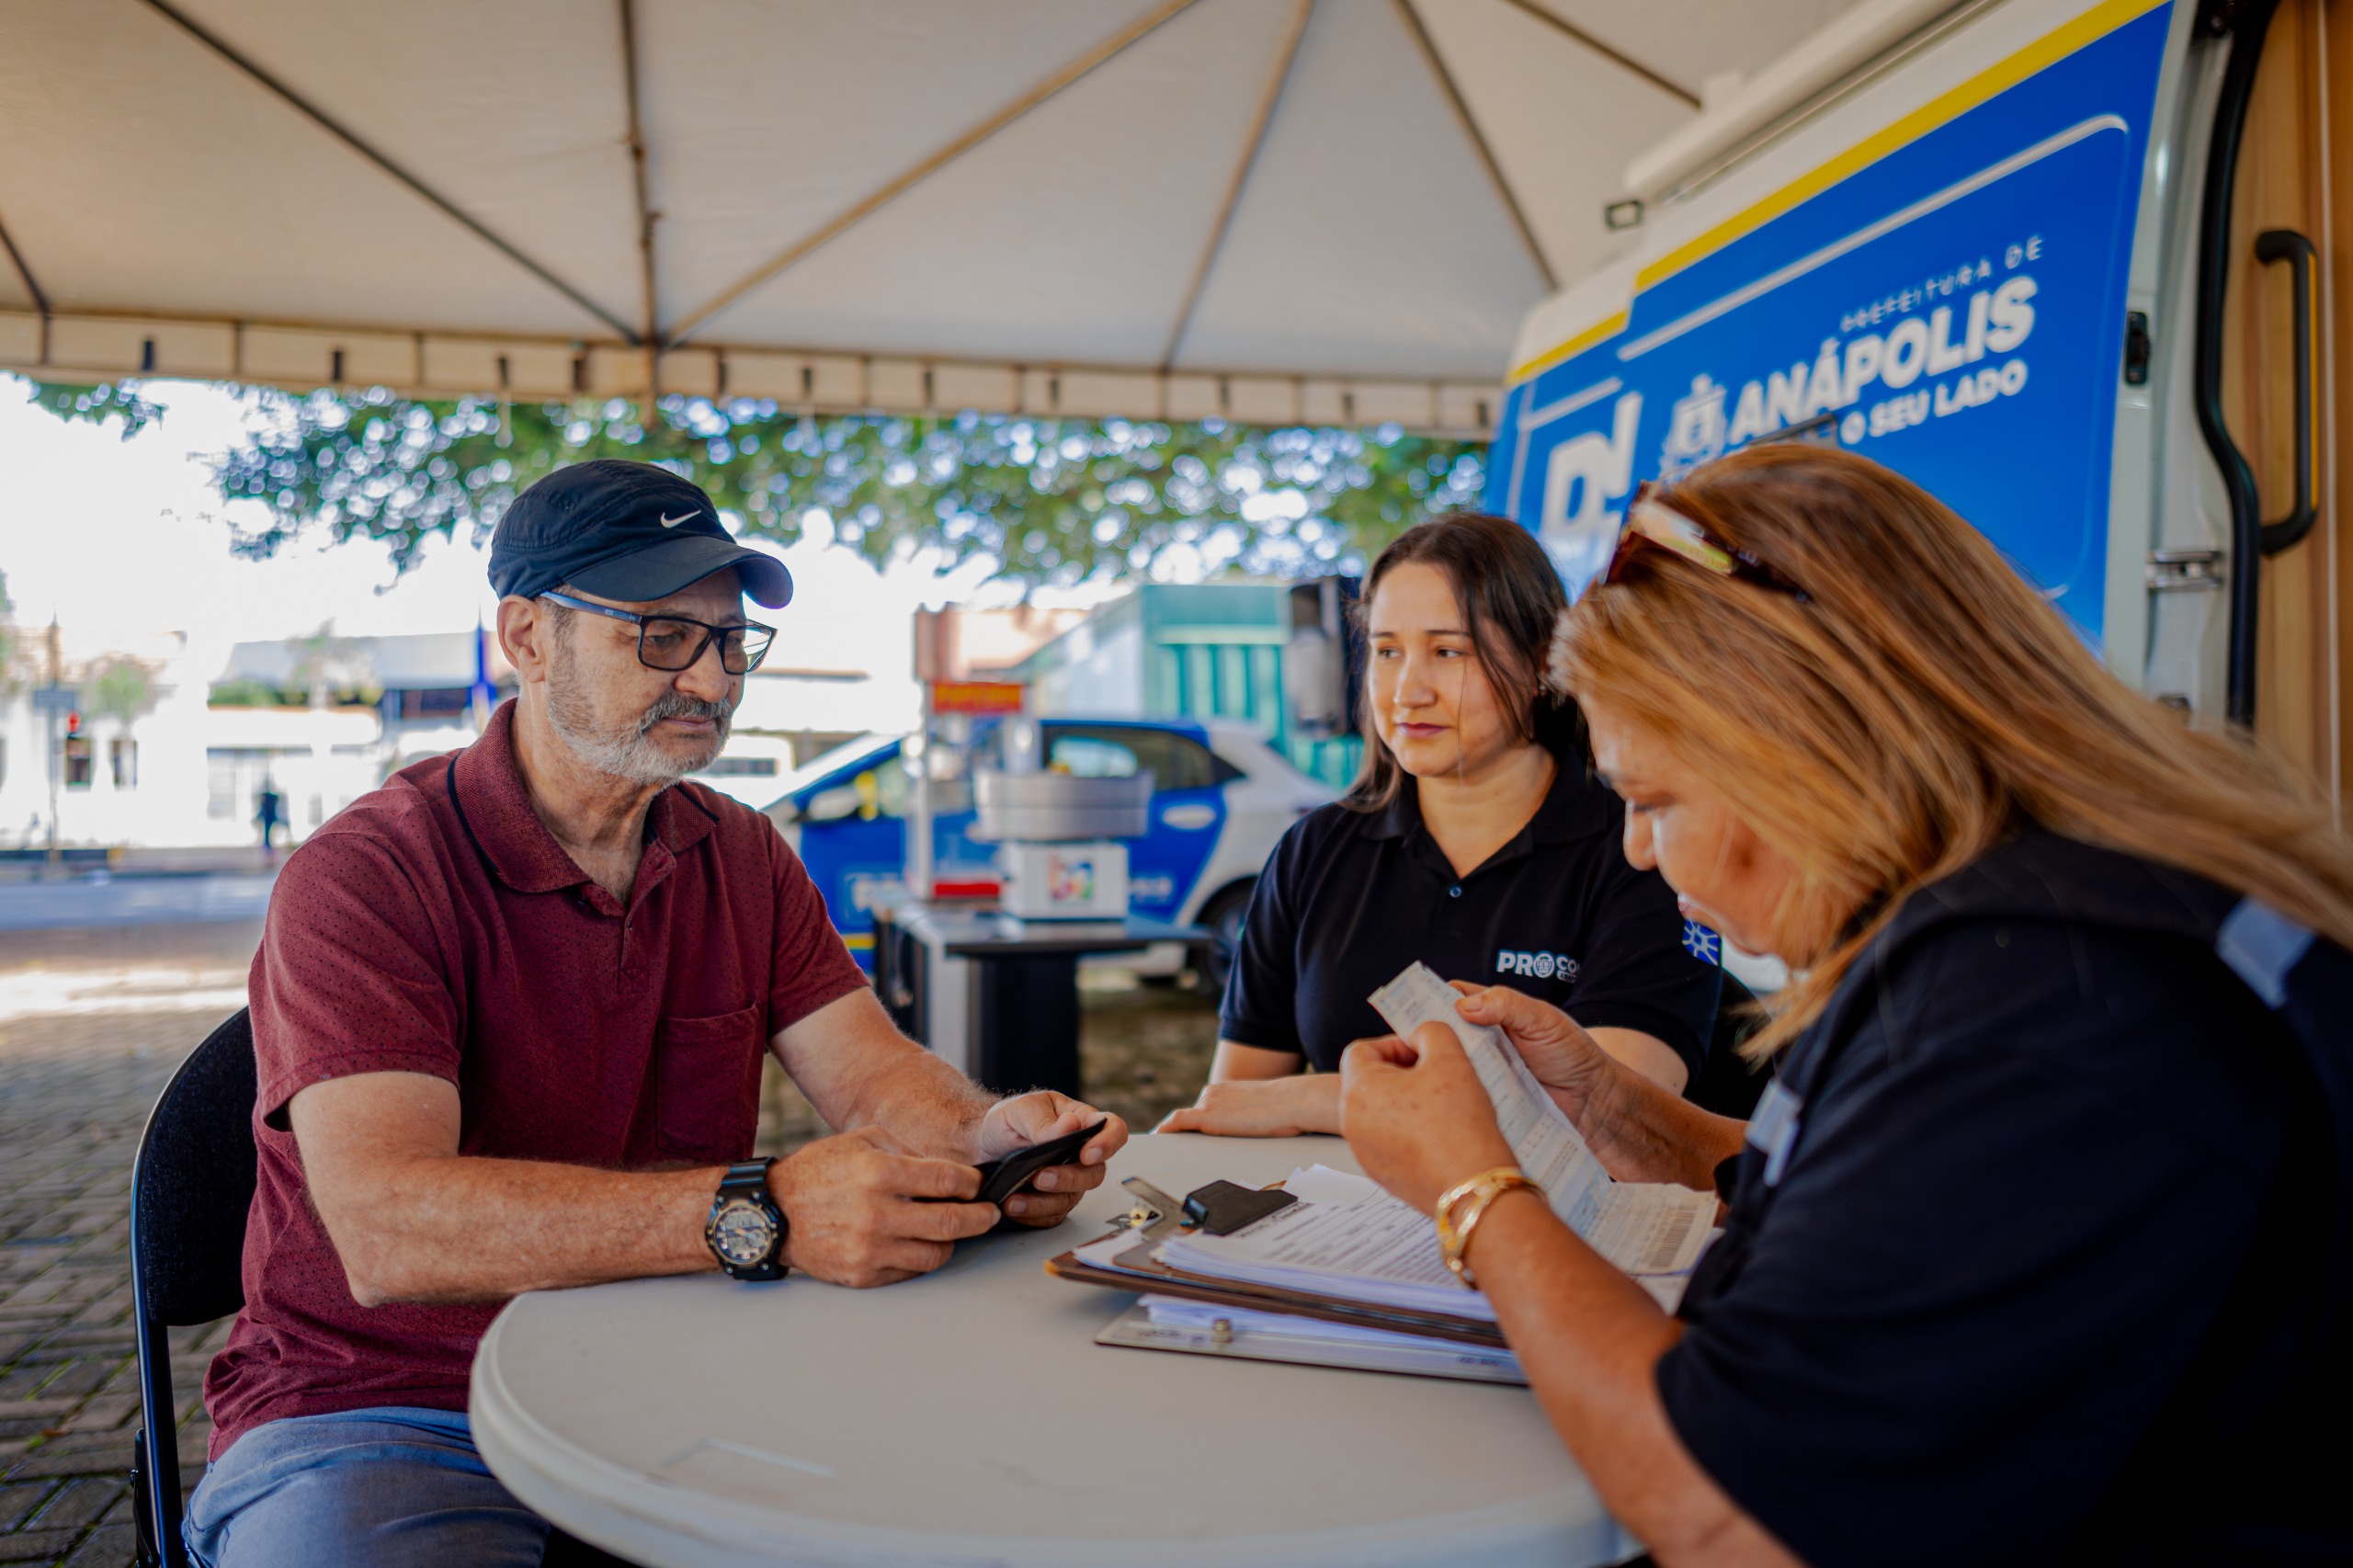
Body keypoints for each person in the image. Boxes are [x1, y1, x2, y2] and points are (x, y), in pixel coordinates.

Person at [1337, 445, 2353, 1566]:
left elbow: (1735, 1516)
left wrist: (1475, 1192)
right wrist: (1606, 1105)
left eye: (1655, 798)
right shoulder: (2056, 919)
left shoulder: (2050, 1010)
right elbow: (1889, 1184)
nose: (1634, 845)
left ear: (1798, 747)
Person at [186, 460, 1128, 1568]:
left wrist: (987, 1138)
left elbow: (874, 1080)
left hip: (680, 1371)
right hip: (387, 1406)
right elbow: (390, 1228)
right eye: (663, 636)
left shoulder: (740, 852)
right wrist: (761, 1211)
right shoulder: (368, 873)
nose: (715, 681)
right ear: (527, 637)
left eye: (730, 642)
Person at [1160, 513, 1720, 1138]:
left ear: (1542, 662)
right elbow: (1239, 1101)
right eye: (1387, 652)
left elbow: (1615, 1111)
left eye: (1448, 651)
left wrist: (1328, 1098)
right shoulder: (1314, 851)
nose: (1407, 691)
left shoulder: (1639, 845)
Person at [251, 779, 283, 856]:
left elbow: (264, 809)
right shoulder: (272, 798)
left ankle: (268, 849)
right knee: (267, 835)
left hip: (269, 818)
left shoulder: (268, 798)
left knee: (268, 835)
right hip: (270, 818)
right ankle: (268, 849)